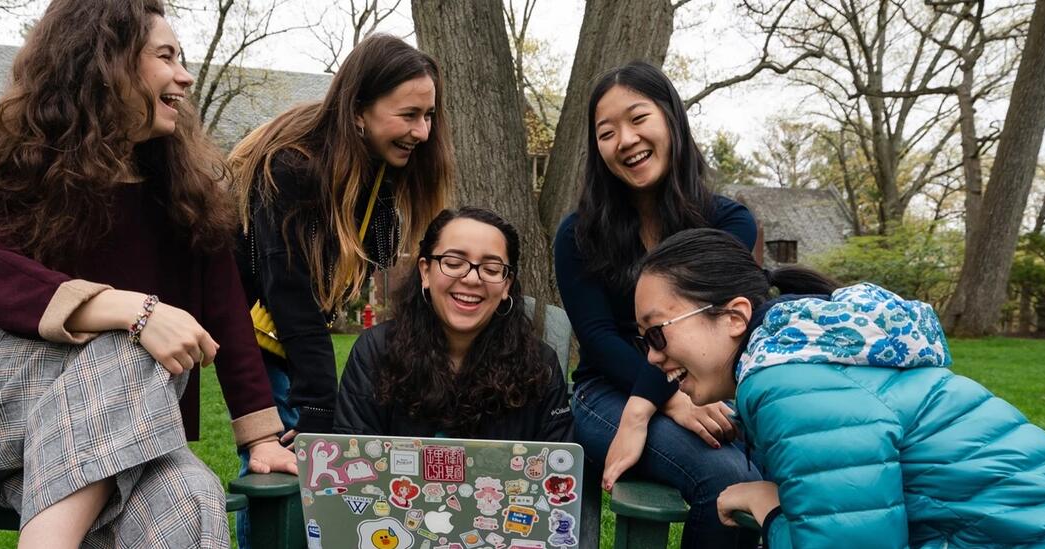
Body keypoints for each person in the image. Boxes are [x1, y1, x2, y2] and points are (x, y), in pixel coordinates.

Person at [0, 2, 295, 547]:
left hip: (87, 441)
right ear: (103, 62)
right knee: (133, 344)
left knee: (189, 496)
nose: (185, 75)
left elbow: (228, 317)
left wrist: (260, 438)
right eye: (165, 56)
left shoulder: (185, 192)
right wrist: (134, 311)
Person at [634, 228, 1045, 548]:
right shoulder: (810, 361)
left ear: (734, 317)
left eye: (657, 333)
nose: (651, 358)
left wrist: (769, 507)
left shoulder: (785, 384)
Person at [227, 33, 453, 548]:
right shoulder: (290, 167)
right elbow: (288, 291)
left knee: (308, 467)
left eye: (429, 115)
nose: (422, 130)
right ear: (358, 111)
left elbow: (368, 262)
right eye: (409, 114)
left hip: (291, 333)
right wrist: (317, 403)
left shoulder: (375, 173)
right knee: (279, 466)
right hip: (255, 335)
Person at [553, 61, 761, 547]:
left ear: (672, 119)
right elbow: (599, 339)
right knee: (726, 477)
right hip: (607, 393)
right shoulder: (579, 234)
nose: (624, 139)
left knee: (783, 468)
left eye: (638, 118)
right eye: (606, 132)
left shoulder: (729, 223)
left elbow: (720, 331)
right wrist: (662, 399)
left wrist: (646, 409)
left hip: (708, 386)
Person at [335, 207, 572, 442]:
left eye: (491, 269)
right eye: (453, 262)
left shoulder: (540, 366)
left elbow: (558, 469)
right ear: (426, 271)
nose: (471, 279)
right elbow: (351, 460)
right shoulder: (375, 352)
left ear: (506, 285)